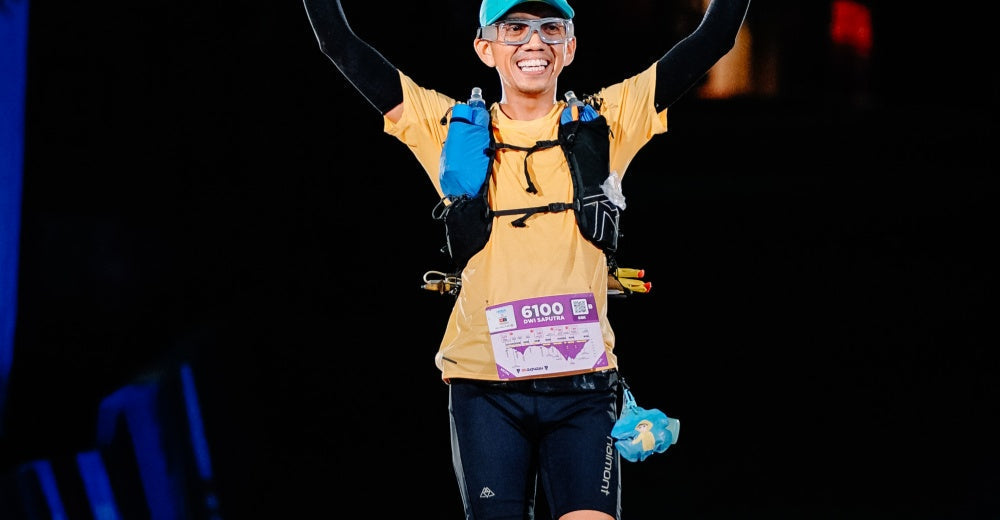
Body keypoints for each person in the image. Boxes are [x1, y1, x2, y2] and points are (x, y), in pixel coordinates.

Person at [301, 0, 751, 518]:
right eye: (515, 29)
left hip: (583, 389)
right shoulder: (445, 128)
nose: (533, 42)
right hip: (485, 389)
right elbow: (341, 45)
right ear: (484, 47)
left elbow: (714, 38)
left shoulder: (609, 120)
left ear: (570, 47)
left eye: (550, 28)